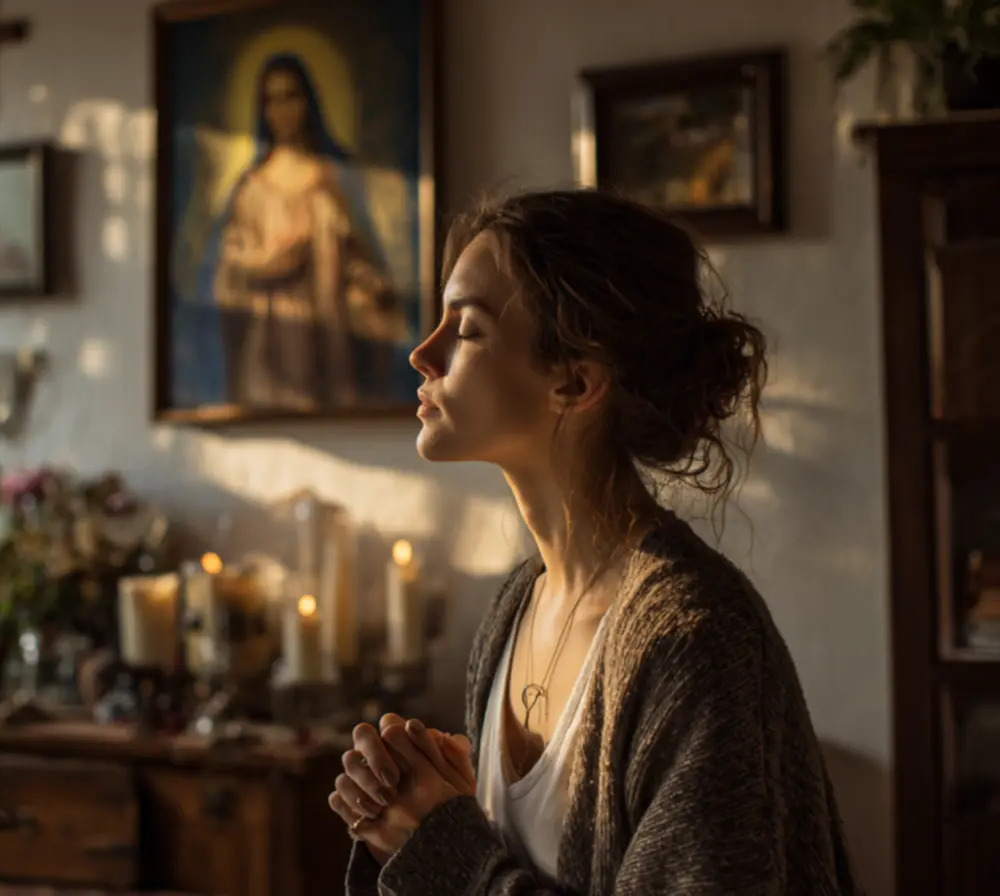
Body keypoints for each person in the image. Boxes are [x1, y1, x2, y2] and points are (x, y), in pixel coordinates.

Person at [328, 189, 861, 895]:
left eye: (470, 329)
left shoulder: (694, 642)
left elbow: (474, 874)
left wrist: (443, 847)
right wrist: (407, 822)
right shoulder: (516, 606)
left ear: (575, 383)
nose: (424, 354)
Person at [197, 53, 403, 409]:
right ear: (262, 109)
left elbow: (357, 256)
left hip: (324, 330)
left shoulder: (331, 178)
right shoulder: (251, 188)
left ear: (308, 102)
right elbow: (229, 268)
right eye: (272, 100)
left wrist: (373, 285)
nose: (283, 110)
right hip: (268, 331)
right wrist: (269, 261)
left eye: (291, 96)